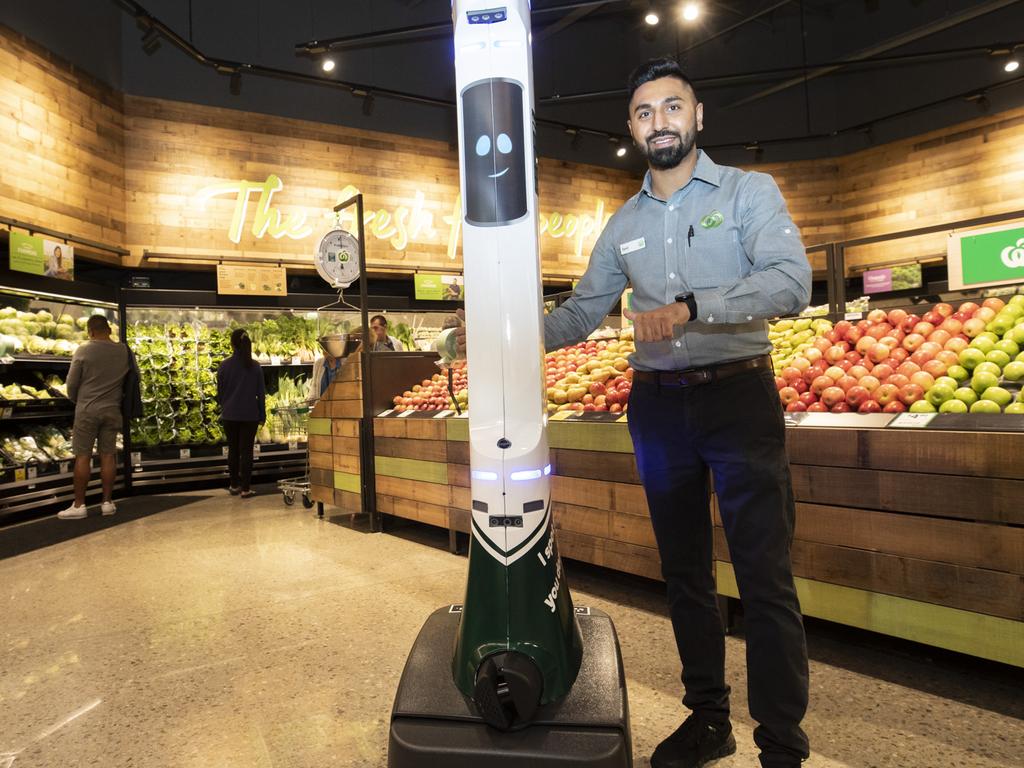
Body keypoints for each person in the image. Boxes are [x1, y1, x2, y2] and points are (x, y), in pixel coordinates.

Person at [455, 58, 812, 768]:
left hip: (740, 396)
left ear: (697, 116)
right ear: (632, 129)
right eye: (646, 113)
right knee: (684, 575)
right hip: (658, 408)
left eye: (672, 108)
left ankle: (782, 745)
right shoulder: (624, 223)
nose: (661, 123)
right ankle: (709, 720)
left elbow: (791, 282)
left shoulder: (748, 193)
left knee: (764, 576)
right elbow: (585, 310)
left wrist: (692, 310)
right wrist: (502, 336)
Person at [59, 315, 130, 519]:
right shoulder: (123, 350)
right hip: (112, 410)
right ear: (109, 330)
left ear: (90, 331)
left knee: (83, 456)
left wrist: (77, 400)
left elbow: (71, 384)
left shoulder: (84, 350)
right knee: (108, 455)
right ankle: (107, 503)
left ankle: (79, 506)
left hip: (87, 410)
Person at [216, 329, 266, 498]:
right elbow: (261, 393)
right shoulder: (255, 366)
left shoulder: (224, 366)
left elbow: (220, 394)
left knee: (233, 450)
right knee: (246, 451)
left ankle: (234, 485)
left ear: (232, 344)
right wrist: (262, 415)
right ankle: (246, 488)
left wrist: (226, 405)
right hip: (249, 415)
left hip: (229, 415)